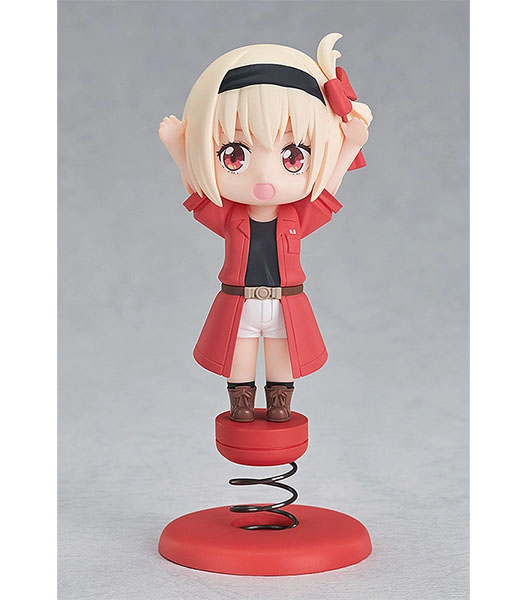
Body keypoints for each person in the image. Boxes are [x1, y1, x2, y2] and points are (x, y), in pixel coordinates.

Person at [159, 33, 372, 423]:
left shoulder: (295, 219)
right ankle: (240, 401)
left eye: (293, 156)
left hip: (284, 302)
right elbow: (199, 196)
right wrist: (177, 148)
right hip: (238, 302)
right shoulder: (230, 218)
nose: (264, 176)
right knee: (238, 356)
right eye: (234, 155)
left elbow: (326, 191)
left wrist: (349, 147)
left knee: (281, 355)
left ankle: (279, 402)